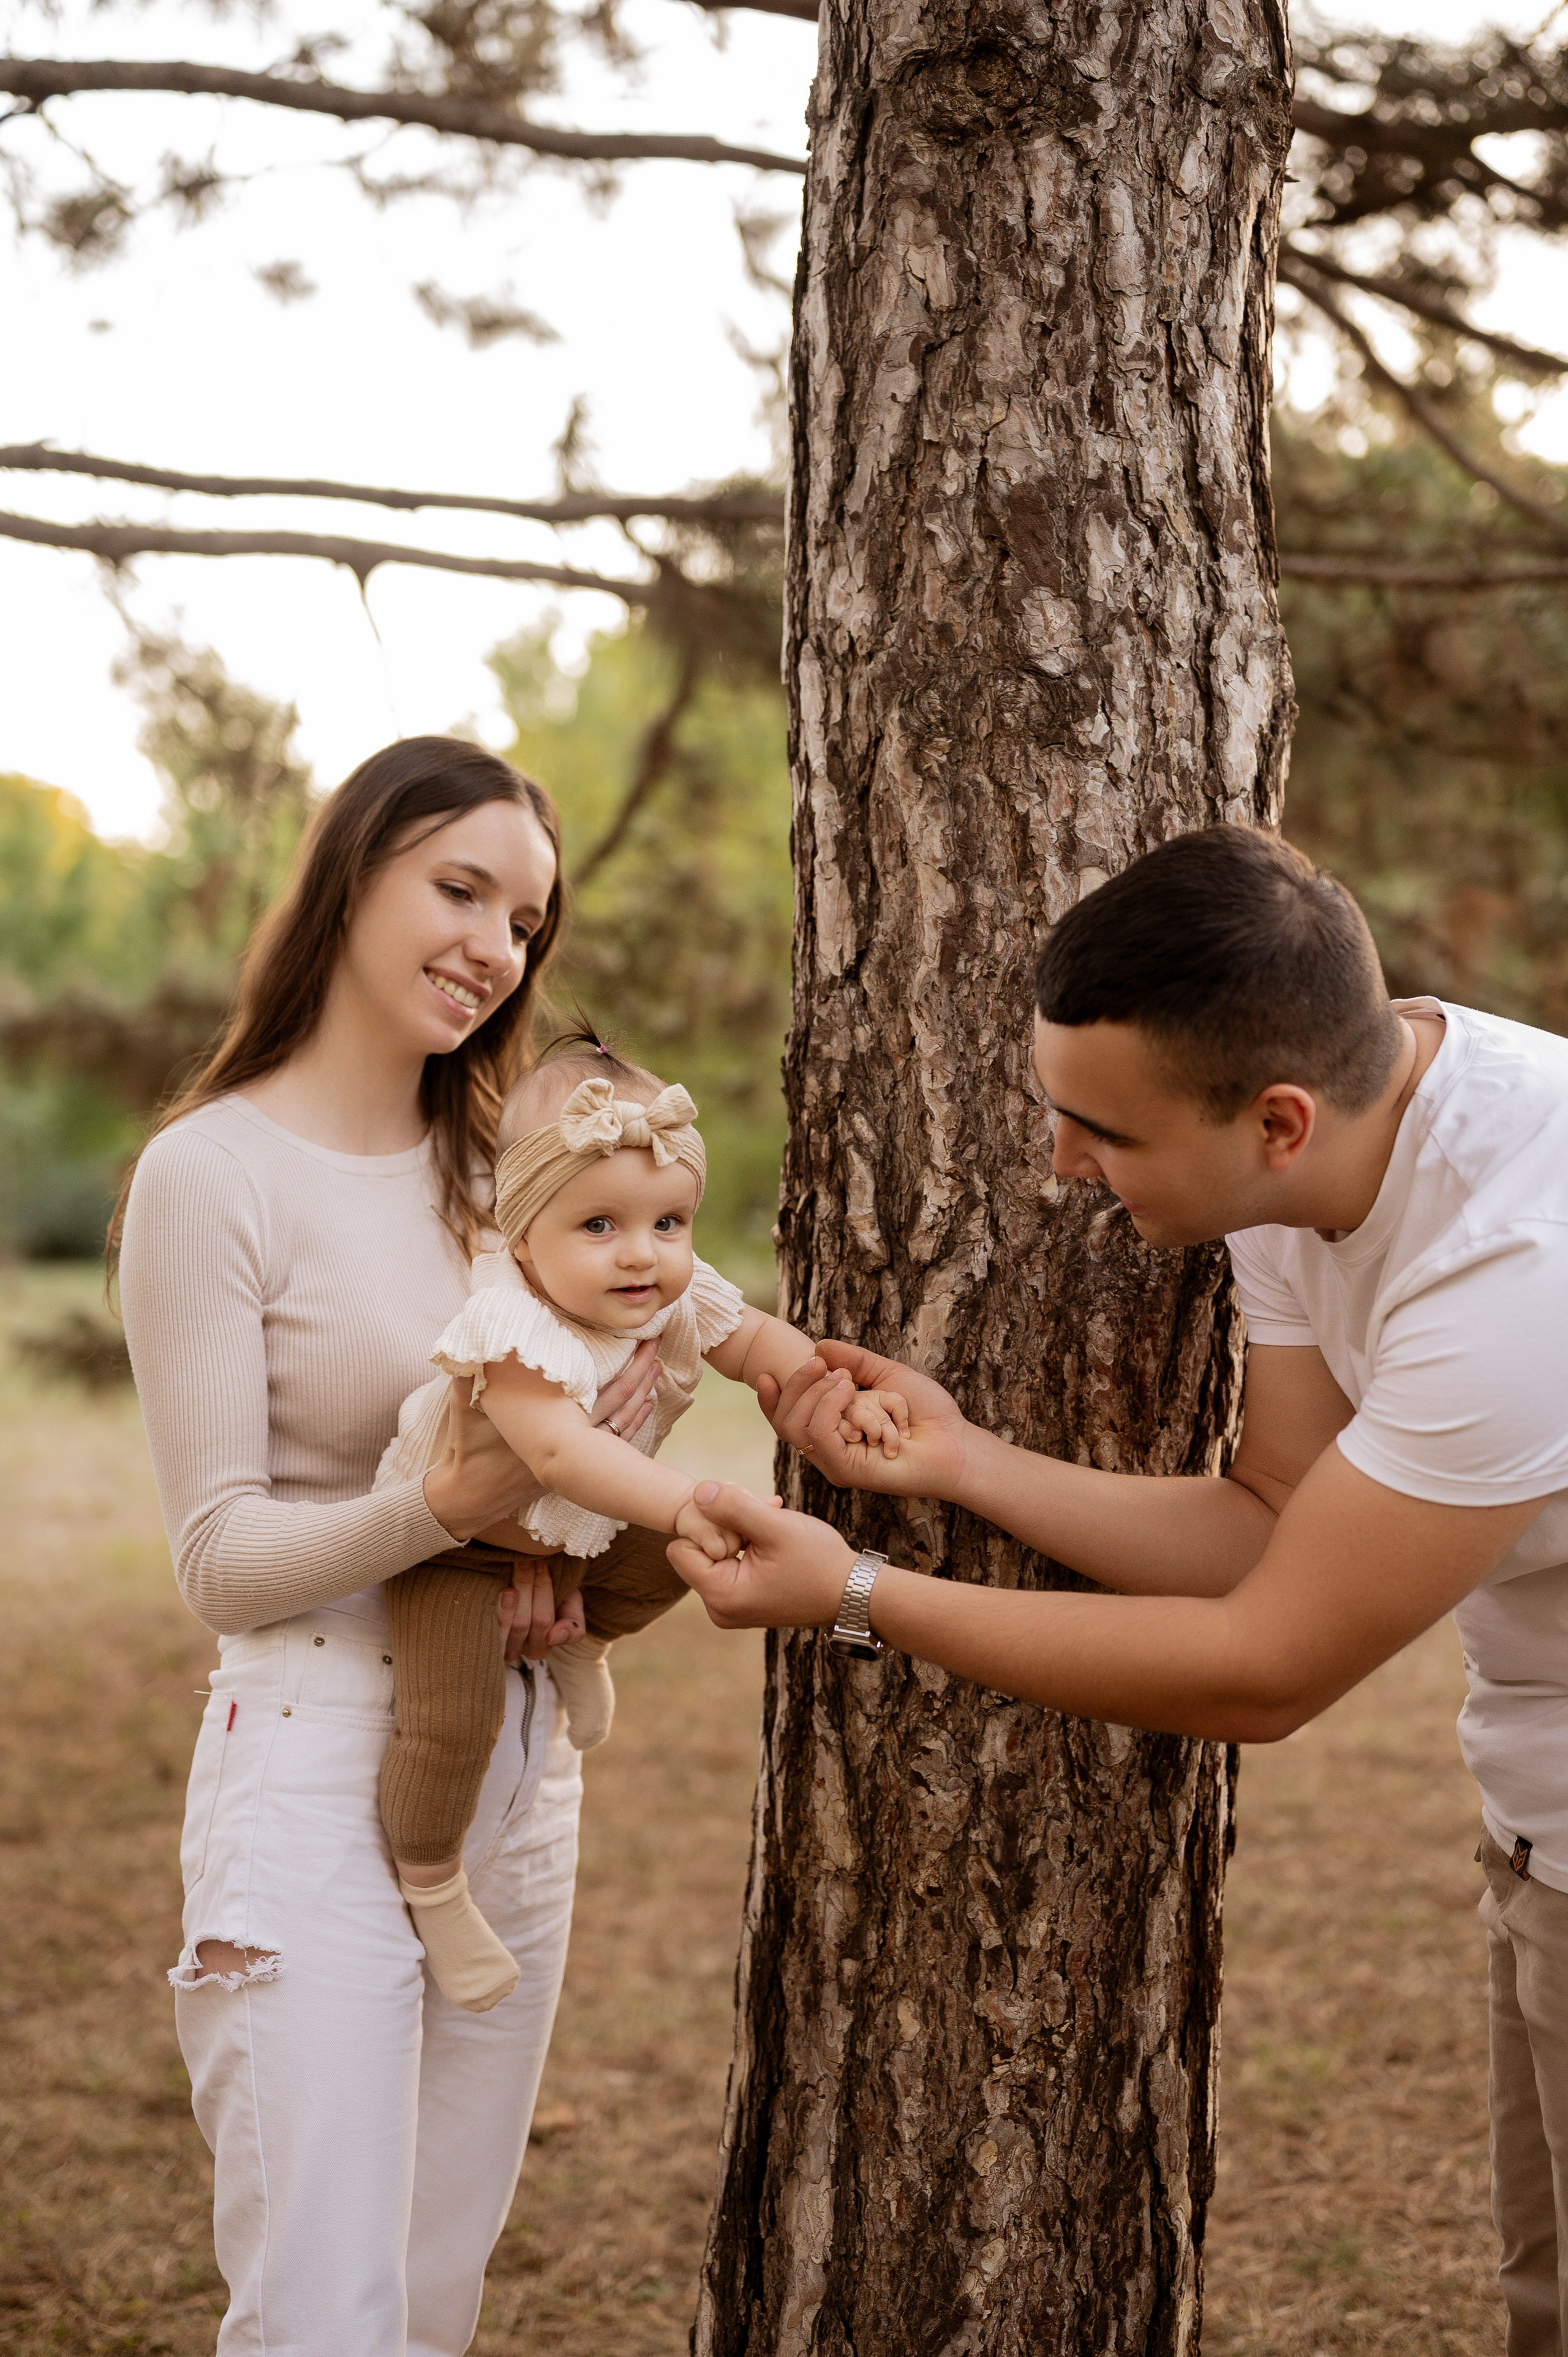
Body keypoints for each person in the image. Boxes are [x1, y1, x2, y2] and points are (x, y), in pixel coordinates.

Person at [668, 825, 1568, 2357]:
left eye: (1103, 1132)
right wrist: (959, 1463)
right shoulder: (1318, 1153)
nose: (1058, 1163)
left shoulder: (1514, 1269)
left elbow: (1260, 1668)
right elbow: (1264, 1521)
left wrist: (855, 1593)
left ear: (1274, 1120)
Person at [117, 737, 666, 2357]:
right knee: (326, 2318)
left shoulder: (506, 1174)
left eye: (525, 921)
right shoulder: (210, 1174)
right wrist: (448, 1509)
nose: (495, 946)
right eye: (460, 888)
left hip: (516, 1775)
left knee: (431, 2301)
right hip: (310, 1764)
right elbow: (218, 1561)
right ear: (352, 872)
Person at [371, 1036, 907, 2011]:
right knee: (452, 1722)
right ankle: (434, 1884)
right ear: (525, 1238)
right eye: (602, 1225)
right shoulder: (514, 1328)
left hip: (572, 1536)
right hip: (451, 1553)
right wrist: (684, 1502)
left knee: (688, 1558)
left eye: (669, 1222)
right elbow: (562, 1457)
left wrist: (825, 1390)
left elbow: (751, 1339)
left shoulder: (666, 1292)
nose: (641, 1252)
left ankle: (587, 1636)